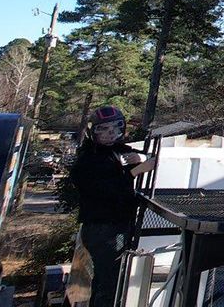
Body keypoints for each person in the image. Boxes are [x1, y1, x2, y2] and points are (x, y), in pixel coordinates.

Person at [70, 106, 154, 307]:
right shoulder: (88, 159)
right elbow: (105, 190)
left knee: (105, 279)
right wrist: (134, 172)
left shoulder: (113, 151)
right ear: (93, 132)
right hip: (103, 229)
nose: (110, 134)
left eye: (115, 129)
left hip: (115, 227)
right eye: (103, 129)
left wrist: (140, 159)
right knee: (110, 282)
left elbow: (142, 155)